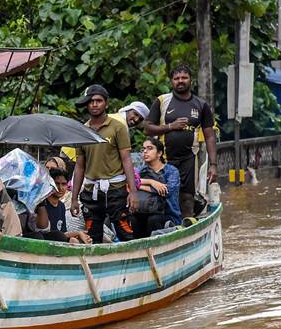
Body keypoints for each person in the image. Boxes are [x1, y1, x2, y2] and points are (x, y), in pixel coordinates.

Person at [144, 65, 217, 217]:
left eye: (184, 77)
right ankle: (166, 228)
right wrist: (171, 126)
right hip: (164, 158)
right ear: (172, 81)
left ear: (191, 80)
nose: (180, 81)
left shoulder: (201, 105)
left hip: (190, 158)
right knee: (163, 193)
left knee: (187, 196)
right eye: (176, 78)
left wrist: (213, 165)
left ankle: (187, 225)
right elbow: (148, 129)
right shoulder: (162, 101)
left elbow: (210, 136)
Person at [70, 84, 138, 244]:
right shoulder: (82, 130)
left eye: (99, 101)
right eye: (91, 101)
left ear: (106, 103)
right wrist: (74, 198)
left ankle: (132, 265)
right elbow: (79, 166)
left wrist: (133, 192)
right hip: (90, 191)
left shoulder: (118, 127)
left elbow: (126, 159)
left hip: (116, 190)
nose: (94, 104)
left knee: (125, 233)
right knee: (92, 237)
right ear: (87, 104)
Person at [131, 138, 181, 238]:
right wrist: (151, 182)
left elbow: (166, 191)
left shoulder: (171, 171)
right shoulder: (140, 171)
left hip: (167, 214)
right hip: (142, 211)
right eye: (143, 149)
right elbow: (129, 181)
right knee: (132, 219)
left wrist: (138, 185)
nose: (145, 151)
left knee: (153, 220)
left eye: (149, 148)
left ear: (159, 153)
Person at [35, 168, 92, 244]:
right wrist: (78, 233)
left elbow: (62, 233)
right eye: (57, 184)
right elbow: (46, 232)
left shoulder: (61, 206)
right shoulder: (42, 203)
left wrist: (79, 233)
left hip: (57, 240)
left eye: (63, 184)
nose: (60, 188)